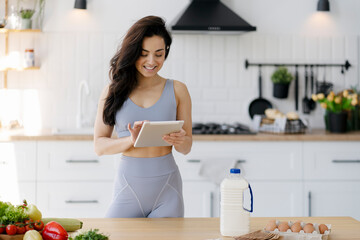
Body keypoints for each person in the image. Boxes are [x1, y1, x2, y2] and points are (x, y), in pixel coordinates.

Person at [94, 16, 192, 218]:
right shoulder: (113, 91)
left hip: (167, 191)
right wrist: (131, 140)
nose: (151, 61)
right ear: (132, 52)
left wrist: (180, 140)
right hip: (128, 189)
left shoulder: (178, 90)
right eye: (144, 54)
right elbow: (99, 146)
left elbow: (186, 147)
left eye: (159, 54)